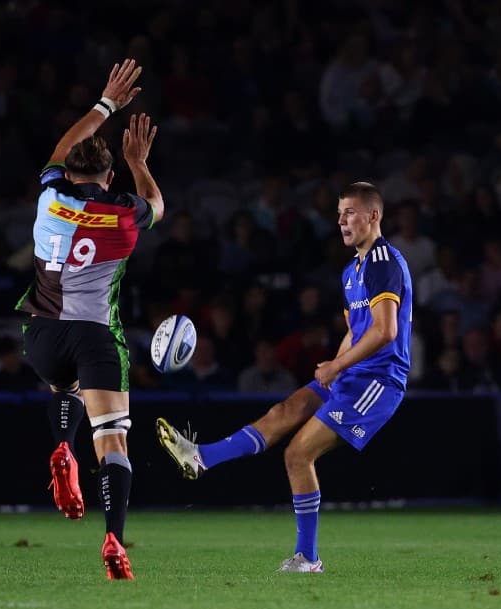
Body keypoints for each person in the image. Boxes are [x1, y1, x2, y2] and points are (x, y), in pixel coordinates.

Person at [156, 182, 413, 573]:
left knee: (298, 453)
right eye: (339, 212)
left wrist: (338, 367)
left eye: (350, 212)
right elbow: (357, 331)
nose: (341, 220)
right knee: (282, 411)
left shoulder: (383, 261)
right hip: (352, 373)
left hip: (377, 383)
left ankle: (308, 559)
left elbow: (385, 331)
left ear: (373, 216)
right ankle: (201, 457)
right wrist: (336, 362)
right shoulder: (352, 271)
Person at [16, 59, 163, 580]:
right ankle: (113, 542)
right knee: (113, 439)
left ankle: (61, 444)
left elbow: (59, 151)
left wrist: (105, 104)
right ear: (110, 175)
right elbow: (157, 205)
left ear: (68, 172)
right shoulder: (122, 214)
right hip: (94, 335)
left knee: (65, 387)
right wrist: (139, 160)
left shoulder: (49, 198)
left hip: (40, 334)